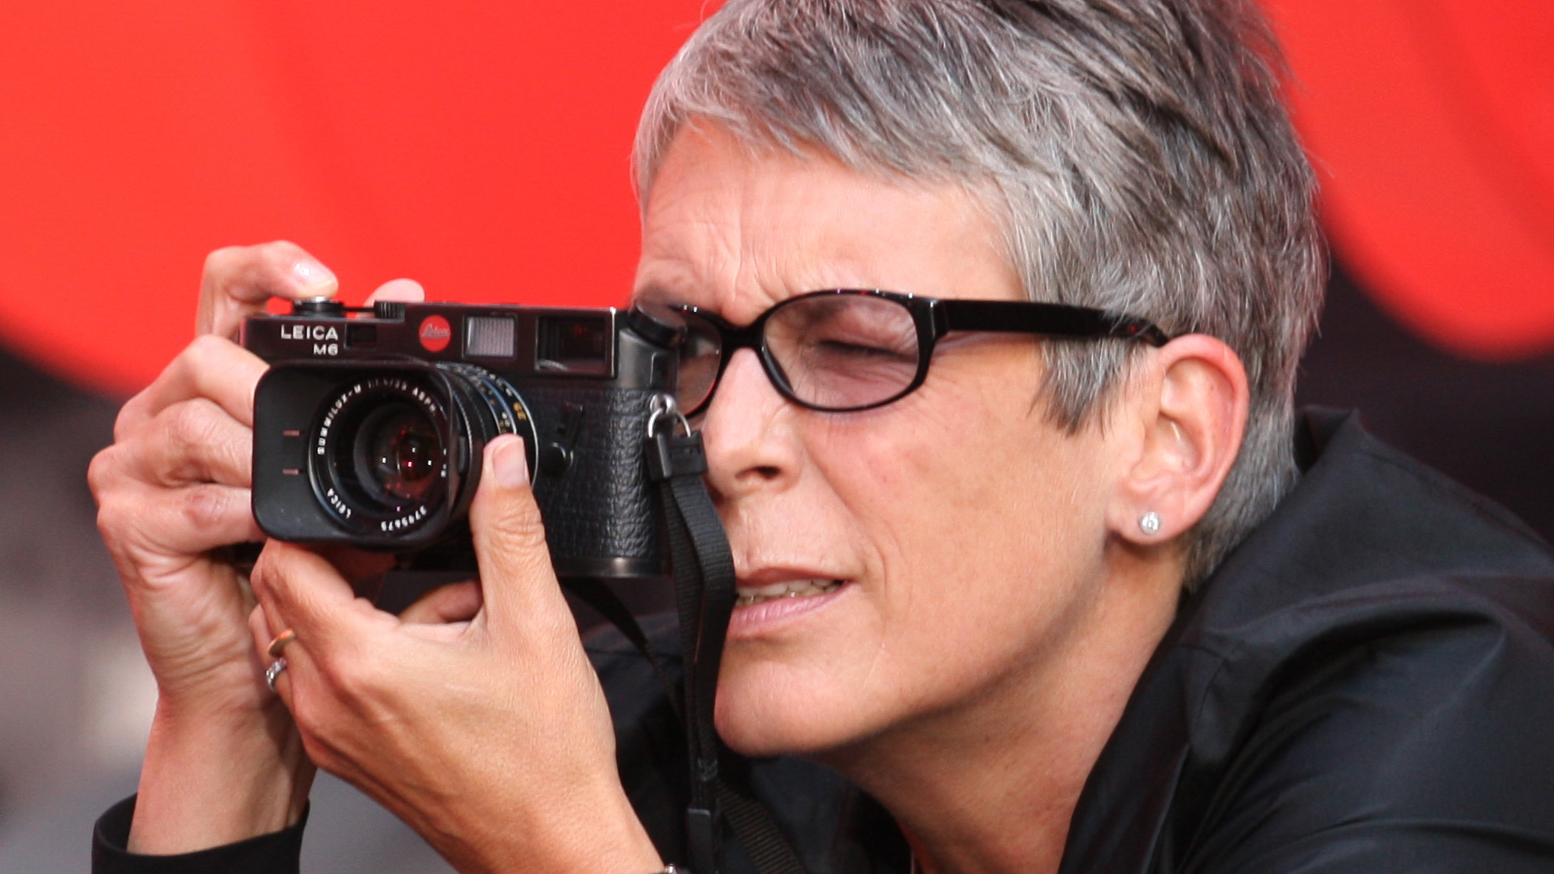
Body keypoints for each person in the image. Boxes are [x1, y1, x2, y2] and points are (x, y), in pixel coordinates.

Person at [87, 0, 1554, 872]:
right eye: (684, 343)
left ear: (1164, 437)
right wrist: (222, 715)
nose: (723, 437)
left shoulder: (1441, 746)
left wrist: (563, 852)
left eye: (851, 345)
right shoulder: (721, 708)